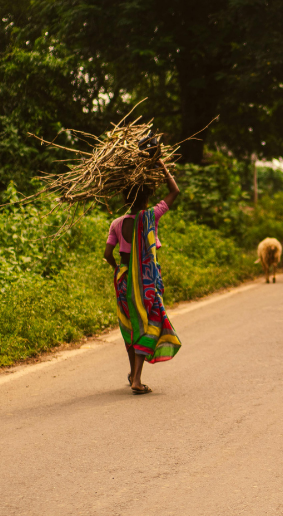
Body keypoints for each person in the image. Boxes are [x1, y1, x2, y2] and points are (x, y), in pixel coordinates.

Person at [103, 160, 181, 395]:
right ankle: (137, 379)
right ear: (146, 197)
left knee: (130, 325)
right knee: (148, 323)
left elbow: (107, 254)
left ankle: (132, 374)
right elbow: (175, 191)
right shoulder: (151, 216)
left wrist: (117, 269)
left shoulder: (116, 223)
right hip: (146, 282)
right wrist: (162, 166)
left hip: (124, 280)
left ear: (126, 198)